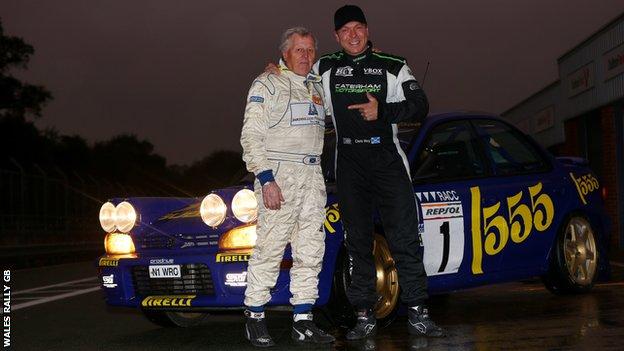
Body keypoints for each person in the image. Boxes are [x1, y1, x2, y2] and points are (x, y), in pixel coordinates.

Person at [264, 5, 445, 339]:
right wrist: (274, 72)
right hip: (349, 161)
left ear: (367, 29)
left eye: (358, 27)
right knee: (357, 242)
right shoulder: (325, 67)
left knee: (404, 238)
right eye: (345, 30)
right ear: (336, 36)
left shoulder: (393, 65)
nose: (352, 35)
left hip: (387, 159)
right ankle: (364, 316)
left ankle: (419, 311)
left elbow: (421, 106)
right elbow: (294, 77)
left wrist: (384, 111)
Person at [240, 27, 335, 347]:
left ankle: (303, 320)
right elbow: (251, 137)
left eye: (310, 50)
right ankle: (254, 315)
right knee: (270, 246)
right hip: (279, 176)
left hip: (312, 175)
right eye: (299, 50)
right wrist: (266, 179)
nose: (306, 56)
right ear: (284, 54)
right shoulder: (267, 83)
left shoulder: (318, 85)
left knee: (311, 250)